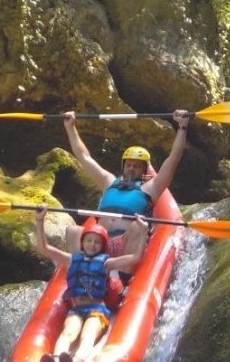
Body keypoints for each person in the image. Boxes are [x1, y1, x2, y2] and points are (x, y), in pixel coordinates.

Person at [34, 205, 146, 362]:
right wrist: (40, 220)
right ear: (83, 243)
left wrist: (144, 230)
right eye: (89, 241)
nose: (92, 245)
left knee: (88, 333)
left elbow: (135, 258)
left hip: (97, 311)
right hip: (76, 310)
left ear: (102, 246)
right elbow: (44, 248)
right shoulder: (71, 259)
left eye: (97, 242)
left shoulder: (106, 263)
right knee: (69, 332)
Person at [62, 108, 190, 258]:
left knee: (138, 226)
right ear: (123, 166)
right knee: (72, 231)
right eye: (128, 165)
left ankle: (123, 275)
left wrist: (182, 127)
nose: (131, 169)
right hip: (98, 241)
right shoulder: (108, 181)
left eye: (136, 166)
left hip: (125, 244)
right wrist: (70, 127)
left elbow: (173, 159)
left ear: (144, 170)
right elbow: (84, 157)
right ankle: (77, 271)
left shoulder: (151, 188)